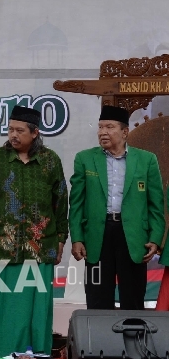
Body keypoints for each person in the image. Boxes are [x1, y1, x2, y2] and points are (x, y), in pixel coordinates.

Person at [0, 105, 68, 357]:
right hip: (5, 246)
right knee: (3, 304)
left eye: (19, 130)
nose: (13, 135)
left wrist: (62, 237)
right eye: (10, 129)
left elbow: (61, 200)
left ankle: (36, 356)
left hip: (41, 245)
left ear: (35, 132)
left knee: (37, 306)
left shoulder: (50, 160)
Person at [69, 105, 164, 310]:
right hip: (97, 238)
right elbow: (76, 202)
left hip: (133, 237)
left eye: (109, 127)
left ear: (125, 132)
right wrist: (76, 237)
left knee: (133, 297)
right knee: (97, 297)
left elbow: (156, 204)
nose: (103, 132)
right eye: (100, 127)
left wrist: (155, 238)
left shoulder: (146, 160)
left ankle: (134, 341)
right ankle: (100, 342)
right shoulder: (85, 159)